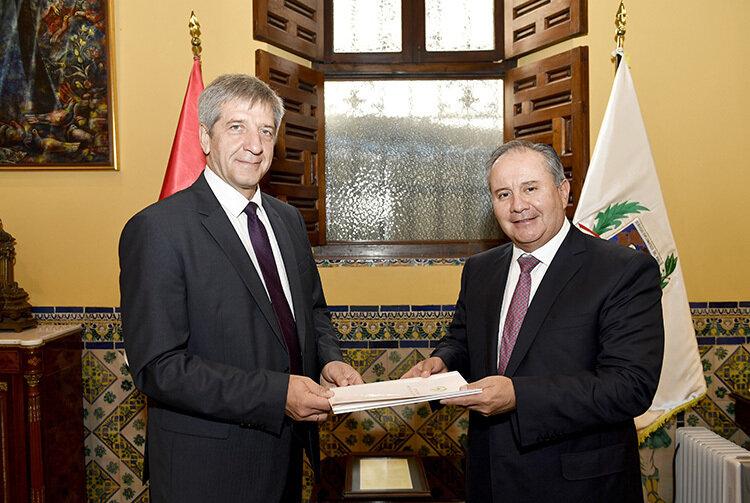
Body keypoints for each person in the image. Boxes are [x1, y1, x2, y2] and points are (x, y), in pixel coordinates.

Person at [120, 74, 363, 503]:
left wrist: (328, 360)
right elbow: (158, 367)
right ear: (205, 137)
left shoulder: (288, 221)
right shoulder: (158, 229)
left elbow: (312, 311)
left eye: (266, 131)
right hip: (206, 470)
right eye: (237, 127)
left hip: (286, 454)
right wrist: (276, 394)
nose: (254, 145)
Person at [402, 140, 664, 502]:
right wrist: (442, 361)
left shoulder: (623, 270)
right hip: (489, 479)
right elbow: (463, 339)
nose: (517, 206)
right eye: (503, 194)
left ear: (563, 191)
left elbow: (629, 387)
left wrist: (518, 396)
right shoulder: (480, 270)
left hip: (580, 487)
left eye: (530, 188)